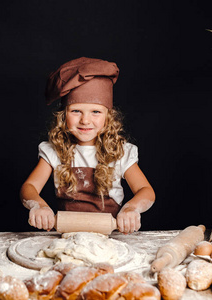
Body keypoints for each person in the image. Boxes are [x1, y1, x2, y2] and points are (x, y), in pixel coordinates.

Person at [20, 57, 155, 234]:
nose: (85, 120)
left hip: (111, 237)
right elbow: (28, 188)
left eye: (96, 112)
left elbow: (146, 191)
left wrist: (131, 209)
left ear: (109, 117)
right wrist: (39, 207)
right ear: (63, 116)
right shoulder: (54, 151)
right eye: (76, 111)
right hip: (66, 235)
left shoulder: (120, 153)